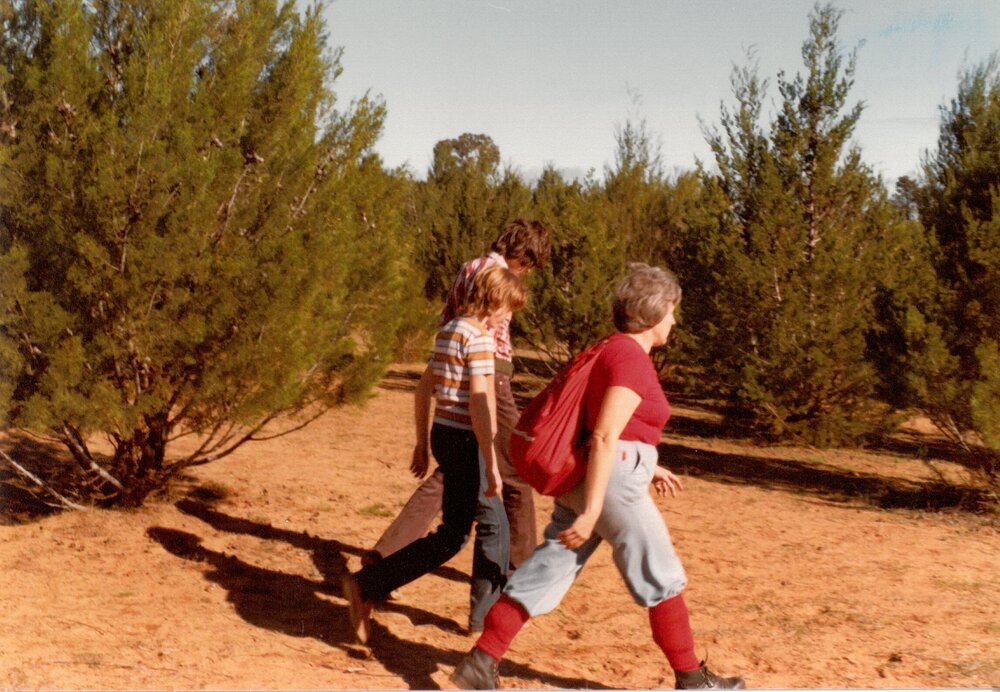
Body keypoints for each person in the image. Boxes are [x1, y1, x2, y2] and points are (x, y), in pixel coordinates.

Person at [450, 264, 745, 690]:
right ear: (654, 312)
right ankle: (692, 679)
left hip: (598, 475)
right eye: (672, 311)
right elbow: (605, 434)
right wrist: (592, 510)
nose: (674, 321)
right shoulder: (631, 357)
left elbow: (607, 428)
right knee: (661, 573)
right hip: (609, 485)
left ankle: (481, 661)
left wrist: (648, 465)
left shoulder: (610, 348)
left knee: (549, 568)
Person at [363, 219, 551, 630]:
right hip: (486, 376)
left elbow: (444, 340)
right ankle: (516, 578)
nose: (525, 274)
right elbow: (484, 352)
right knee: (511, 474)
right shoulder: (494, 278)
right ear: (523, 256)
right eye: (528, 266)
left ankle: (384, 559)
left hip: (455, 381)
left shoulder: (471, 268)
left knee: (453, 478)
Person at [343, 265, 528, 644]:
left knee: (455, 535)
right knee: (491, 525)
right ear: (494, 301)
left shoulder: (449, 330)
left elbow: (423, 387)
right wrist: (491, 462)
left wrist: (422, 442)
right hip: (467, 441)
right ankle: (486, 619)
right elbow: (480, 402)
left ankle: (368, 585)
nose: (507, 318)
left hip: (444, 434)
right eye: (508, 309)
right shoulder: (480, 339)